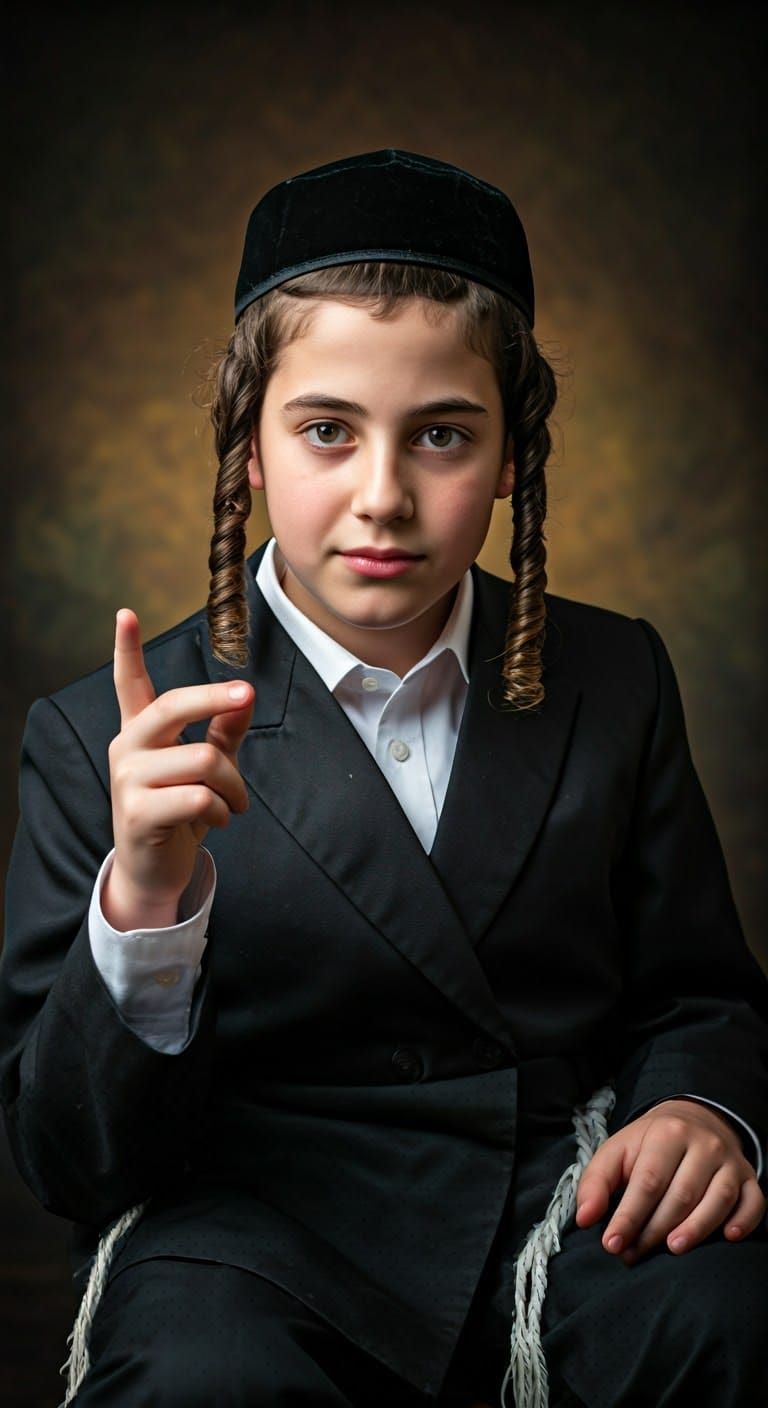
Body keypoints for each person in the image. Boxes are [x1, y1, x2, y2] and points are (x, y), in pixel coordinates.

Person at [1, 149, 766, 1408]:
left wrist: (701, 1110)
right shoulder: (101, 737)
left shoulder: (616, 677)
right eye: (324, 431)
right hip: (245, 1231)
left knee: (731, 1313)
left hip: (559, 1213)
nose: (384, 497)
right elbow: (70, 1160)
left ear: (515, 452)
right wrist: (142, 898)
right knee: (199, 1375)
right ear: (247, 448)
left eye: (445, 435)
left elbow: (699, 992)